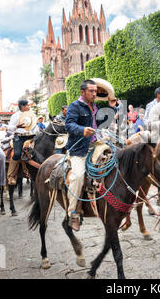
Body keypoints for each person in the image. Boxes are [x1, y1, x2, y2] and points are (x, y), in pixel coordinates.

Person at [65, 79, 98, 231]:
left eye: (95, 91)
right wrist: (82, 130)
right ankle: (72, 214)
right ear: (82, 92)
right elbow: (69, 125)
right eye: (91, 91)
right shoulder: (74, 106)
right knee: (78, 176)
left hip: (96, 145)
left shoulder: (95, 107)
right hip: (79, 149)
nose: (94, 93)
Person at [6, 99, 38, 186]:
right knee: (17, 154)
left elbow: (35, 126)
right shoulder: (15, 116)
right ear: (23, 106)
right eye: (28, 105)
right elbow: (9, 128)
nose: (29, 106)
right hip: (19, 137)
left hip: (31, 137)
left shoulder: (31, 115)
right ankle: (11, 175)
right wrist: (17, 126)